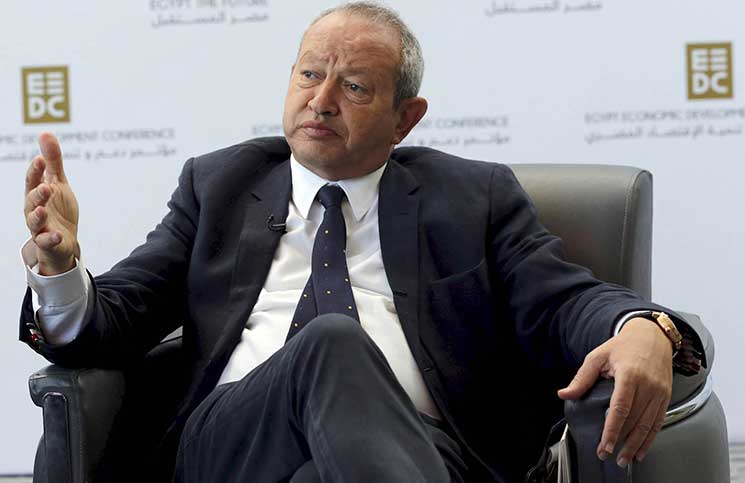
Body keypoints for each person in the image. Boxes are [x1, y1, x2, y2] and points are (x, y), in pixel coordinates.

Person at [20, 2, 699, 482]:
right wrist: (61, 267)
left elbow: (562, 302)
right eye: (308, 74)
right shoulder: (220, 185)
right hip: (231, 444)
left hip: (426, 449)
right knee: (332, 342)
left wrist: (645, 325)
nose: (321, 100)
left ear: (406, 118)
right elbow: (113, 319)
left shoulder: (471, 199)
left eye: (352, 86)